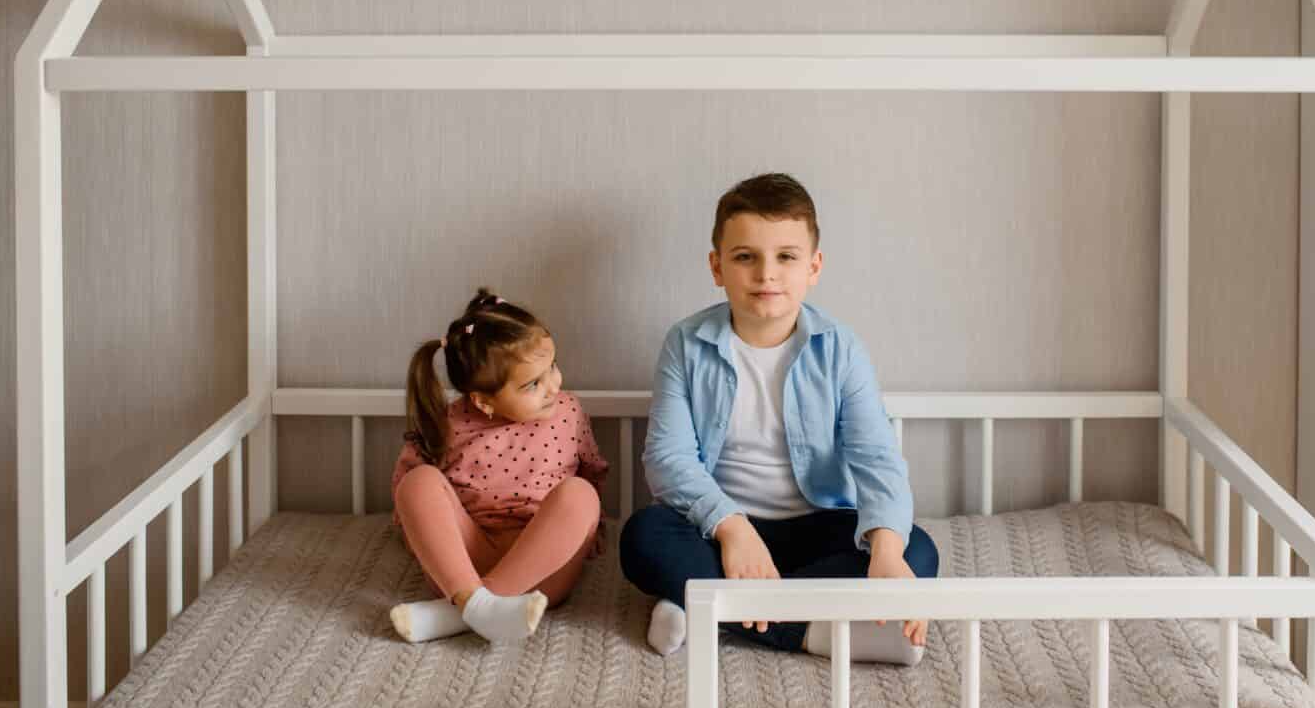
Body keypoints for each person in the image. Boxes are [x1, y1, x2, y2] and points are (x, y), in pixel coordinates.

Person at [620, 173, 938, 663]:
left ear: (813, 267)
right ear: (717, 266)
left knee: (917, 551)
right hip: (720, 528)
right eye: (745, 257)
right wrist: (733, 528)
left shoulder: (840, 347)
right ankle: (812, 633)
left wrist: (888, 554)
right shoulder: (685, 343)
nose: (766, 274)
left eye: (785, 257)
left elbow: (877, 458)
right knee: (642, 537)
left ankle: (706, 608)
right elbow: (667, 458)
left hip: (818, 525)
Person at [387, 289, 608, 644]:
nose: (553, 385)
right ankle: (473, 600)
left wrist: (590, 536)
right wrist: (430, 546)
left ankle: (461, 611)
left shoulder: (568, 411)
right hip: (461, 565)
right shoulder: (449, 423)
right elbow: (411, 502)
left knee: (580, 495)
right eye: (532, 384)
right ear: (483, 401)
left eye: (551, 366)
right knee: (417, 482)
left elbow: (592, 473)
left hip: (541, 569)